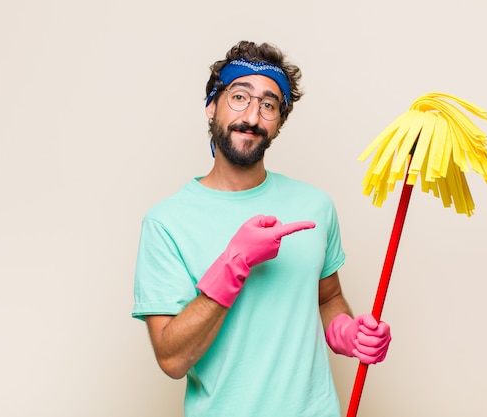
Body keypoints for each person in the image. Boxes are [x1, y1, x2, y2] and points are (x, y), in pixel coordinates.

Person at [132, 40, 392, 417]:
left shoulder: (315, 205)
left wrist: (348, 334)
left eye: (269, 105)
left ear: (279, 123)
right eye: (239, 97)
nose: (252, 117)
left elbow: (327, 299)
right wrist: (233, 263)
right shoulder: (166, 222)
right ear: (211, 106)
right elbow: (172, 359)